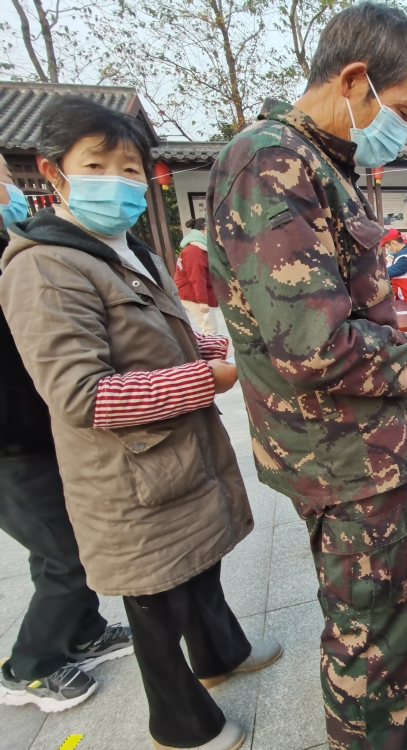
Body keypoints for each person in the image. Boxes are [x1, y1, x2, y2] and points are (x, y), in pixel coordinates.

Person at [206, 5, 407, 748]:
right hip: (338, 453)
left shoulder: (322, 162)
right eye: (404, 110)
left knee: (376, 616)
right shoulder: (271, 163)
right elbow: (311, 345)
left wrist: (401, 330)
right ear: (356, 81)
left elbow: (331, 304)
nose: (404, 129)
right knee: (370, 638)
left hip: (350, 446)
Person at [0, 95, 276, 750]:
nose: (116, 183)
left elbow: (163, 336)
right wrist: (204, 380)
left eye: (128, 169)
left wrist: (219, 349)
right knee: (156, 603)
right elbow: (83, 394)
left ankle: (220, 655)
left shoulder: (131, 250)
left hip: (177, 453)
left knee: (199, 565)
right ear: (55, 171)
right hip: (127, 473)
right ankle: (179, 723)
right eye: (96, 164)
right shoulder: (44, 267)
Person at [0, 153, 134, 715]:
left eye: (4, 182)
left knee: (55, 544)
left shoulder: (17, 255)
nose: (7, 194)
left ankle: (81, 631)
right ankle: (27, 667)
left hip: (41, 430)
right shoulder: (29, 266)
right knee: (68, 555)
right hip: (11, 444)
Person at [173, 217, 219, 334]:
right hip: (192, 295)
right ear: (203, 231)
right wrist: (202, 301)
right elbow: (197, 278)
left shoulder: (197, 248)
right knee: (209, 329)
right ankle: (211, 352)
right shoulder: (195, 251)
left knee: (210, 328)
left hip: (193, 294)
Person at [385, 228, 407, 304]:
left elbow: (386, 273)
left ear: (393, 243)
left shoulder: (405, 258)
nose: (388, 250)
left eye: (387, 247)